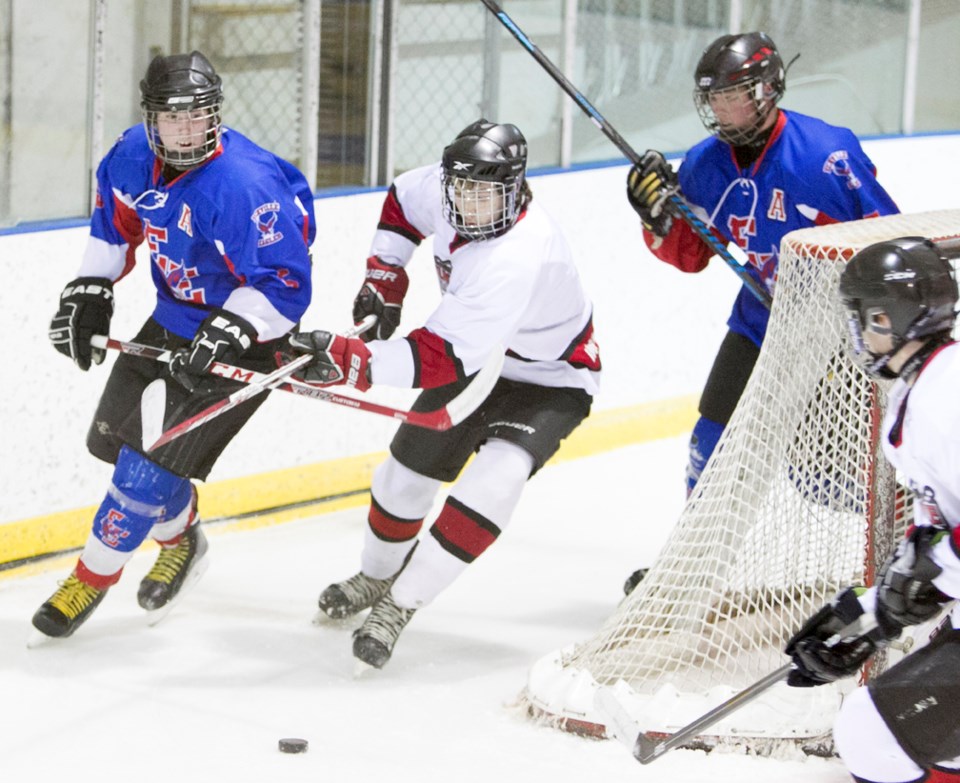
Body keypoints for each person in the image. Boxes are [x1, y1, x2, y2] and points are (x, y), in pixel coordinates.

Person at [289, 119, 600, 669]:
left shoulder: (520, 253)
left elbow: (439, 357)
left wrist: (354, 363)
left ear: (515, 188)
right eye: (462, 189)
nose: (468, 203)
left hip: (549, 379)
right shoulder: (447, 185)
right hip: (478, 358)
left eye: (485, 193)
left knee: (495, 481)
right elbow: (401, 205)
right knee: (403, 473)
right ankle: (377, 576)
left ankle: (400, 605)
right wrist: (386, 274)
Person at [32, 51, 315, 639]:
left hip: (250, 339)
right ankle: (184, 542)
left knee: (142, 473)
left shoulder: (244, 184)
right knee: (118, 445)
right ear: (151, 118)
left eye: (198, 116)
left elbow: (286, 282)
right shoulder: (131, 155)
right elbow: (115, 225)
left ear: (215, 115)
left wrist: (235, 327)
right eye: (172, 118)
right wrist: (91, 285)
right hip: (173, 320)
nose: (186, 130)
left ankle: (88, 579)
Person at [621, 30, 899, 594]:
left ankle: (914, 519)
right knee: (709, 441)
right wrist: (658, 220)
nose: (724, 111)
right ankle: (688, 566)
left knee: (819, 477)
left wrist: (870, 331)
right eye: (716, 100)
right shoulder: (703, 165)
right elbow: (691, 255)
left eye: (735, 97)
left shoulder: (825, 156)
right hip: (759, 323)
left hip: (838, 335)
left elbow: (890, 242)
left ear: (769, 89)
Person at [785, 237, 960, 783]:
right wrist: (866, 617)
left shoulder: (944, 397)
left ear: (894, 316)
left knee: (871, 734)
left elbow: (941, 559)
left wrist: (930, 573)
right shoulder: (928, 386)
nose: (860, 333)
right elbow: (935, 540)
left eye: (867, 318)